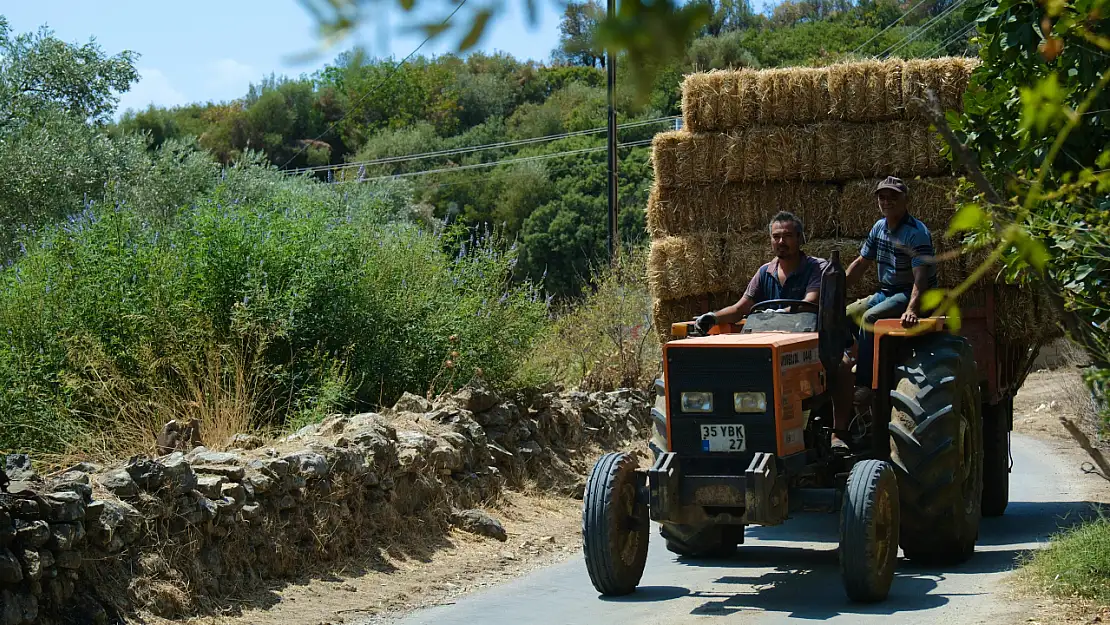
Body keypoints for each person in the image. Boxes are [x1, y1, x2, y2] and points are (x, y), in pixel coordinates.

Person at [694, 211, 855, 451]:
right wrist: (713, 317)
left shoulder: (818, 269)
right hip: (773, 345)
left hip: (814, 342)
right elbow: (741, 308)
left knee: (842, 365)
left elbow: (807, 303)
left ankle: (839, 432)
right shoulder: (764, 273)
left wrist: (773, 315)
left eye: (787, 236)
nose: (781, 242)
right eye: (776, 237)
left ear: (800, 238)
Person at [845, 176, 939, 402]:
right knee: (846, 315)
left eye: (892, 197)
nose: (886, 202)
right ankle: (850, 363)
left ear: (905, 199)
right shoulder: (879, 227)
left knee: (869, 318)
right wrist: (835, 289)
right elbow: (861, 263)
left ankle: (865, 385)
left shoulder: (916, 233)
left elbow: (920, 278)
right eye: (882, 197)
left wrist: (912, 310)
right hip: (887, 291)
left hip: (912, 293)